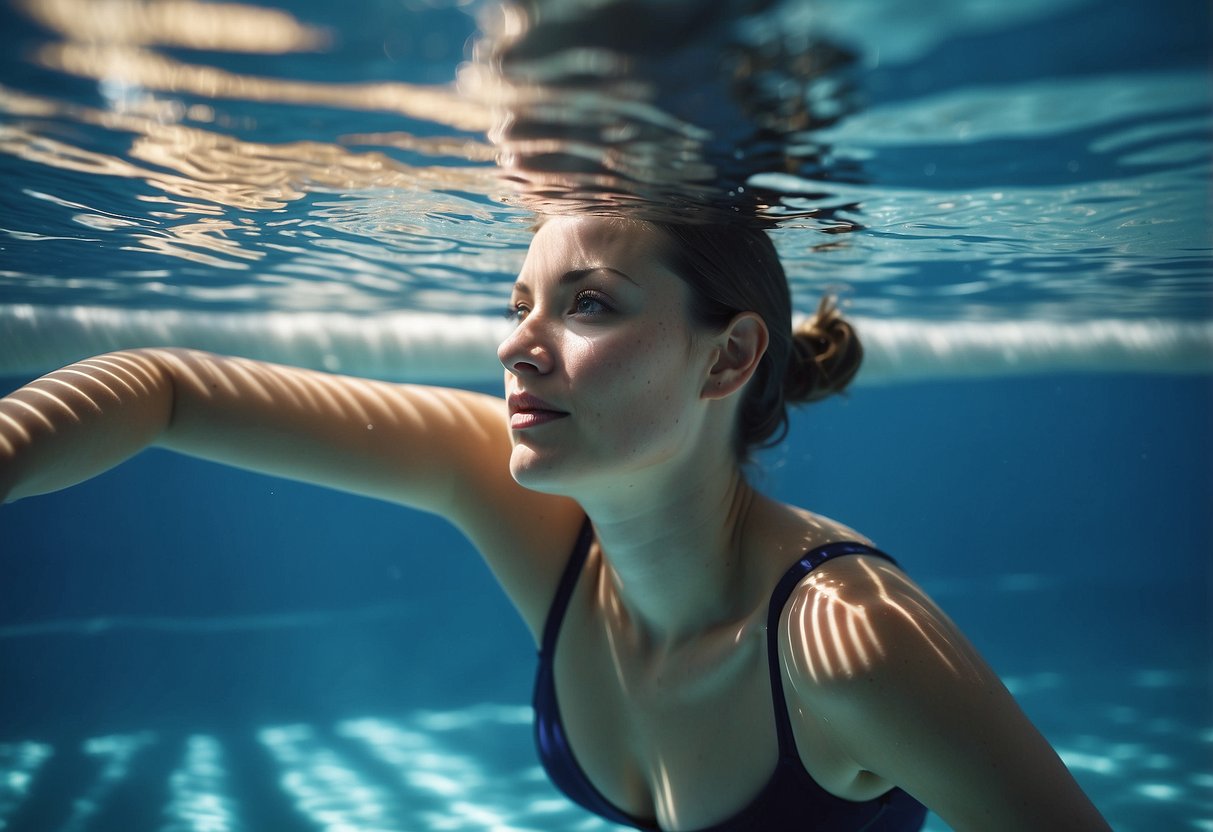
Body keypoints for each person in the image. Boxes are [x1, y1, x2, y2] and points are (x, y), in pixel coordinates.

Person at [0, 215, 1109, 831]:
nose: (515, 345)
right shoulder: (524, 497)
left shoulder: (844, 640)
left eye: (586, 303)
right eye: (516, 301)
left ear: (726, 355)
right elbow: (166, 390)